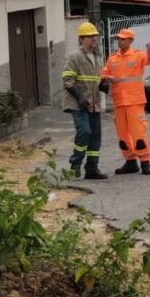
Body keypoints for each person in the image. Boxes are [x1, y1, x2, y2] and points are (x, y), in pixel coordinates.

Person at [101, 29, 150, 175]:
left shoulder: (138, 55)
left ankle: (145, 162)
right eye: (119, 39)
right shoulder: (112, 58)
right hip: (119, 102)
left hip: (134, 101)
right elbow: (104, 72)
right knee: (122, 135)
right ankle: (130, 162)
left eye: (124, 39)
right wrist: (105, 77)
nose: (120, 41)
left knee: (138, 133)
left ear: (131, 41)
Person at [62, 22, 107, 180]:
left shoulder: (98, 58)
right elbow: (67, 80)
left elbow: (97, 80)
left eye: (95, 36)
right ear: (82, 39)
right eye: (90, 36)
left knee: (95, 136)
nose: (94, 39)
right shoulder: (75, 57)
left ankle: (92, 168)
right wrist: (80, 97)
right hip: (78, 103)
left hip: (94, 104)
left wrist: (104, 85)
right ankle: (75, 163)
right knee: (85, 131)